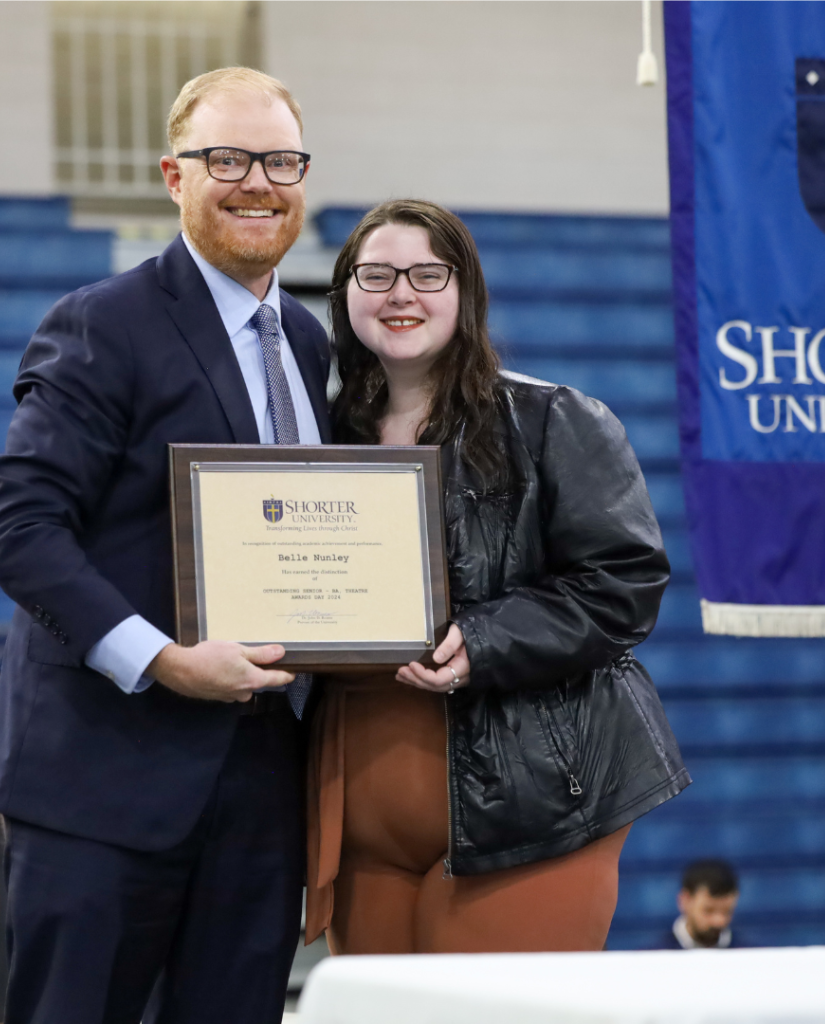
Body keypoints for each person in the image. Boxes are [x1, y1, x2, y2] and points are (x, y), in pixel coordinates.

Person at [0, 67, 330, 1024]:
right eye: (230, 159)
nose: (259, 181)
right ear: (175, 176)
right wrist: (163, 660)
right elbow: (17, 527)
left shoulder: (304, 338)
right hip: (102, 777)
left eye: (282, 161)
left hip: (258, 788)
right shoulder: (104, 322)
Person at [306, 199, 691, 954]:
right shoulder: (317, 435)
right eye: (375, 273)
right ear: (344, 291)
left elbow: (624, 584)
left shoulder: (553, 419)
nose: (400, 293)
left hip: (529, 805)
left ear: (466, 292)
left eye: (427, 273)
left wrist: (483, 640)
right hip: (360, 810)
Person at [660, 859, 742, 949]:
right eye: (709, 910)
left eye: (727, 912)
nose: (719, 921)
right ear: (684, 901)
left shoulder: (749, 956)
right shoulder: (652, 957)